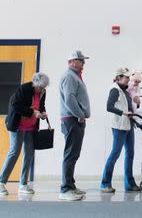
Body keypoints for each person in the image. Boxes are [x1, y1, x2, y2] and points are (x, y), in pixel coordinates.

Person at [0, 72, 50, 196]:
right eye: (40, 87)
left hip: (30, 127)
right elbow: (15, 105)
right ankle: (0, 183)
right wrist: (34, 113)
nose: (42, 89)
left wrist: (42, 112)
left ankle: (23, 184)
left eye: (44, 87)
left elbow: (40, 105)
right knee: (14, 152)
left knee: (29, 154)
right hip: (18, 126)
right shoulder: (24, 89)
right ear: (35, 84)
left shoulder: (42, 92)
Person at [100, 67, 139, 193]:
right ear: (119, 77)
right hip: (119, 127)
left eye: (129, 77)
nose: (128, 79)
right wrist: (123, 113)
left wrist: (137, 104)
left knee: (130, 153)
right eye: (126, 77)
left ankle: (130, 184)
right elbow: (109, 107)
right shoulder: (115, 90)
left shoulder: (125, 91)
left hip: (129, 125)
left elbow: (129, 106)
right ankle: (105, 183)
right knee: (115, 153)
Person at [58, 50, 90, 201]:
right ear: (73, 62)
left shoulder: (74, 76)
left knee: (73, 154)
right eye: (81, 61)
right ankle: (65, 189)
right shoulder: (69, 77)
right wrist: (80, 115)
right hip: (72, 120)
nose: (84, 63)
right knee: (70, 154)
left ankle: (70, 186)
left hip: (75, 119)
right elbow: (69, 99)